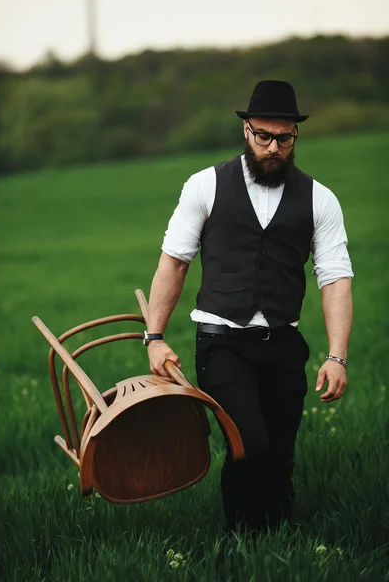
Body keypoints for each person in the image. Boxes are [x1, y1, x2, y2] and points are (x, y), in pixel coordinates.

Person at [144, 80, 353, 534]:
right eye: (264, 136)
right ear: (246, 131)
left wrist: (337, 356)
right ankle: (239, 540)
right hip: (222, 346)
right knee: (248, 445)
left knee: (279, 454)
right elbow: (174, 263)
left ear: (296, 135)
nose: (274, 147)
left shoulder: (321, 199)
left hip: (283, 345)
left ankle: (277, 541)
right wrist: (154, 338)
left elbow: (335, 278)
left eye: (284, 138)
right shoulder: (204, 185)